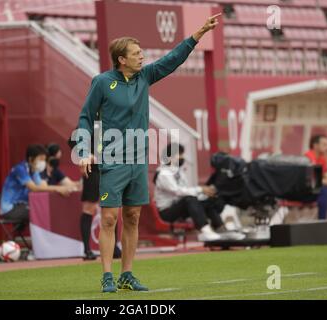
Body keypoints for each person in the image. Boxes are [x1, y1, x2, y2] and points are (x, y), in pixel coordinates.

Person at [76, 13, 222, 293]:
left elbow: (172, 59)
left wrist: (200, 32)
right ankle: (107, 276)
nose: (142, 57)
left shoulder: (145, 77)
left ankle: (127, 275)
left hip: (139, 162)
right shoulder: (102, 82)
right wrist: (84, 151)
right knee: (109, 218)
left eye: (141, 53)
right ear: (122, 59)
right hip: (113, 161)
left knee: (132, 217)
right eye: (136, 54)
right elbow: (85, 117)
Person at [154, 143, 245, 242]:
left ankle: (221, 229)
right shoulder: (163, 174)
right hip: (167, 212)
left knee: (208, 201)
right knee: (189, 199)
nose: (182, 157)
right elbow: (177, 191)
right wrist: (200, 189)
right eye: (179, 154)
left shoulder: (179, 172)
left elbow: (186, 190)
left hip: (179, 206)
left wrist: (204, 193)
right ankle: (205, 231)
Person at [67, 136, 122, 261]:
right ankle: (87, 250)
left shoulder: (113, 122)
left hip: (109, 170)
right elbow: (72, 140)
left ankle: (113, 247)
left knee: (111, 208)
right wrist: (86, 154)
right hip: (93, 172)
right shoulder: (89, 120)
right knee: (89, 208)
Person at [0, 144, 72, 223]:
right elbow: (34, 188)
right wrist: (57, 189)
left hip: (22, 206)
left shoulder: (34, 170)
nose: (43, 163)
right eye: (40, 159)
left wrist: (61, 189)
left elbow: (43, 187)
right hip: (10, 209)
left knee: (48, 209)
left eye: (44, 160)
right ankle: (42, 235)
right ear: (31, 159)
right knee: (40, 212)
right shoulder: (20, 169)